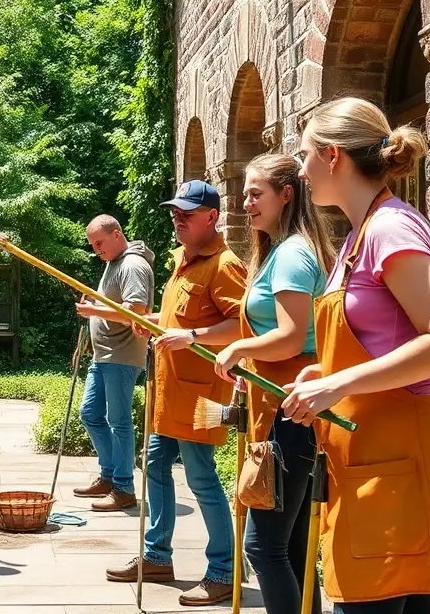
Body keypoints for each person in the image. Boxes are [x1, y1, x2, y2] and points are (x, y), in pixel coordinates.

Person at [283, 97, 430, 614]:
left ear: (333, 156)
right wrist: (330, 372)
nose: (300, 171)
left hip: (398, 457)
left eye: (304, 156)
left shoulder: (390, 228)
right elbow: (380, 339)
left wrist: (338, 385)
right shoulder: (360, 235)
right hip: (371, 458)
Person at [101, 180, 246, 607]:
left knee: (201, 477)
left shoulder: (224, 264)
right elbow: (180, 318)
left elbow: (244, 327)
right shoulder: (184, 259)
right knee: (156, 464)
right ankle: (157, 555)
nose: (177, 218)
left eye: (186, 212)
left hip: (203, 397)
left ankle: (224, 571)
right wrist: (158, 323)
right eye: (174, 212)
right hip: (170, 391)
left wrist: (193, 335)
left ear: (212, 217)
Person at [211, 153, 335, 614]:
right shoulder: (283, 251)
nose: (245, 203)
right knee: (294, 547)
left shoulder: (293, 254)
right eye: (244, 192)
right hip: (286, 412)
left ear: (287, 194)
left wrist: (242, 350)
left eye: (254, 193)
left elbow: (287, 337)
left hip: (291, 414)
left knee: (263, 549)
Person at [73, 215, 155, 511]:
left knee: (118, 422)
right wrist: (96, 307)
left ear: (117, 234)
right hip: (104, 355)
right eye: (93, 244)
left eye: (99, 242)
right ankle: (109, 476)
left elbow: (137, 312)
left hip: (122, 355)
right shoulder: (114, 262)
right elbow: (113, 305)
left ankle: (124, 488)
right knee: (90, 414)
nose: (96, 249)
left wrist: (94, 310)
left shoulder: (132, 265)